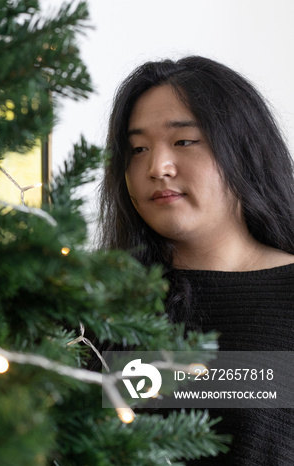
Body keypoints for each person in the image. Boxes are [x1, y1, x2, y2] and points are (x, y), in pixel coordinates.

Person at [99, 55, 294, 465]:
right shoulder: (97, 302)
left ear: (242, 148)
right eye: (137, 149)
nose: (157, 167)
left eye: (184, 141)